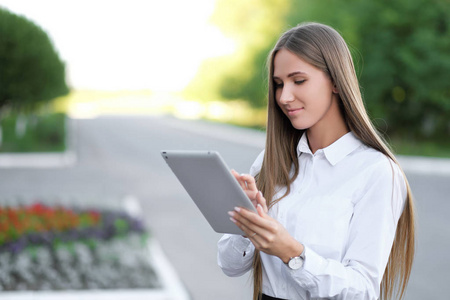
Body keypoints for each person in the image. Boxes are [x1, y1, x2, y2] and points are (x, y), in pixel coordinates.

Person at [217, 22, 415, 300]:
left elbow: (364, 290)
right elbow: (229, 266)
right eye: (278, 84)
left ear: (335, 80)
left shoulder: (376, 171)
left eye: (299, 80)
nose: (284, 97)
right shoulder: (269, 163)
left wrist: (293, 253)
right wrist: (246, 223)